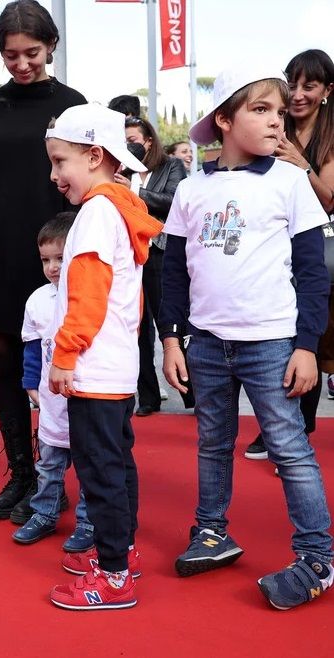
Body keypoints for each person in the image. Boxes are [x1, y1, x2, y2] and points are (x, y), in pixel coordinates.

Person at [159, 65, 333, 610]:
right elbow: (173, 273)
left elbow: (312, 271)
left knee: (289, 448)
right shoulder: (192, 188)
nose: (277, 122)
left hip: (272, 344)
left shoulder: (289, 182)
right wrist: (171, 339)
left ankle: (318, 557)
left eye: (281, 113)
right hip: (207, 344)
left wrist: (306, 345)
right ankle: (211, 532)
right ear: (225, 120)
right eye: (261, 110)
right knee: (212, 445)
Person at [0, 0, 86, 521]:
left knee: (60, 369)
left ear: (51, 46)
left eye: (32, 52)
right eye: (11, 55)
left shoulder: (74, 104)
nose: (22, 63)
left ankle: (58, 480)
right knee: (5, 365)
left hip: (54, 252)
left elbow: (85, 184)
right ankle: (23, 476)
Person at [45, 104, 160, 610]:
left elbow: (88, 296)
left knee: (100, 473)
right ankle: (123, 554)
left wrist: (65, 355)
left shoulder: (95, 213)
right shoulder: (118, 208)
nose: (54, 175)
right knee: (116, 466)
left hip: (92, 369)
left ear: (94, 156)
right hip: (114, 367)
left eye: (59, 161)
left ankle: (114, 575)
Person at [244, 49, 333, 459]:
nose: (297, 95)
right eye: (291, 83)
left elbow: (328, 200)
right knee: (282, 342)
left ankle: (300, 434)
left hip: (319, 255)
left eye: (308, 86)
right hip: (272, 255)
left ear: (327, 91)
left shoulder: (330, 134)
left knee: (311, 342)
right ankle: (279, 428)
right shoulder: (272, 125)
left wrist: (299, 163)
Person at [12, 212, 94, 554]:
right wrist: (31, 382)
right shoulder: (37, 300)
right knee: (48, 464)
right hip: (51, 401)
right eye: (46, 260)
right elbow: (33, 345)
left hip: (85, 396)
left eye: (61, 258)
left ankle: (90, 522)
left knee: (90, 466)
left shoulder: (88, 296)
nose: (53, 267)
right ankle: (44, 513)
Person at [119, 116, 187, 416]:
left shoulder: (171, 167)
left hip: (161, 253)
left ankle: (190, 391)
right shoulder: (118, 169)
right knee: (137, 328)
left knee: (169, 324)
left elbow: (174, 201)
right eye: (123, 142)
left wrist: (133, 193)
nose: (129, 147)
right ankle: (147, 396)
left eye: (133, 140)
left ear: (148, 140)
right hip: (129, 256)